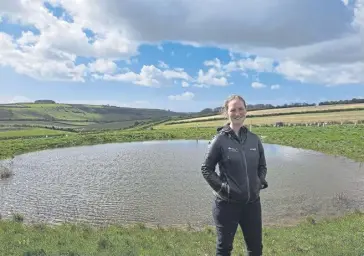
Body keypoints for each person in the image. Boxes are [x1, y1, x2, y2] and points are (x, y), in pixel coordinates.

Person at [201, 94, 268, 256]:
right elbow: (206, 169)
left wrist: (258, 183)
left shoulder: (254, 139)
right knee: (224, 249)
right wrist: (224, 189)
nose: (237, 113)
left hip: (252, 204)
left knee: (255, 249)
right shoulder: (220, 140)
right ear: (227, 112)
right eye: (233, 109)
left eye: (241, 109)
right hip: (226, 205)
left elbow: (262, 166)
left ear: (246, 111)